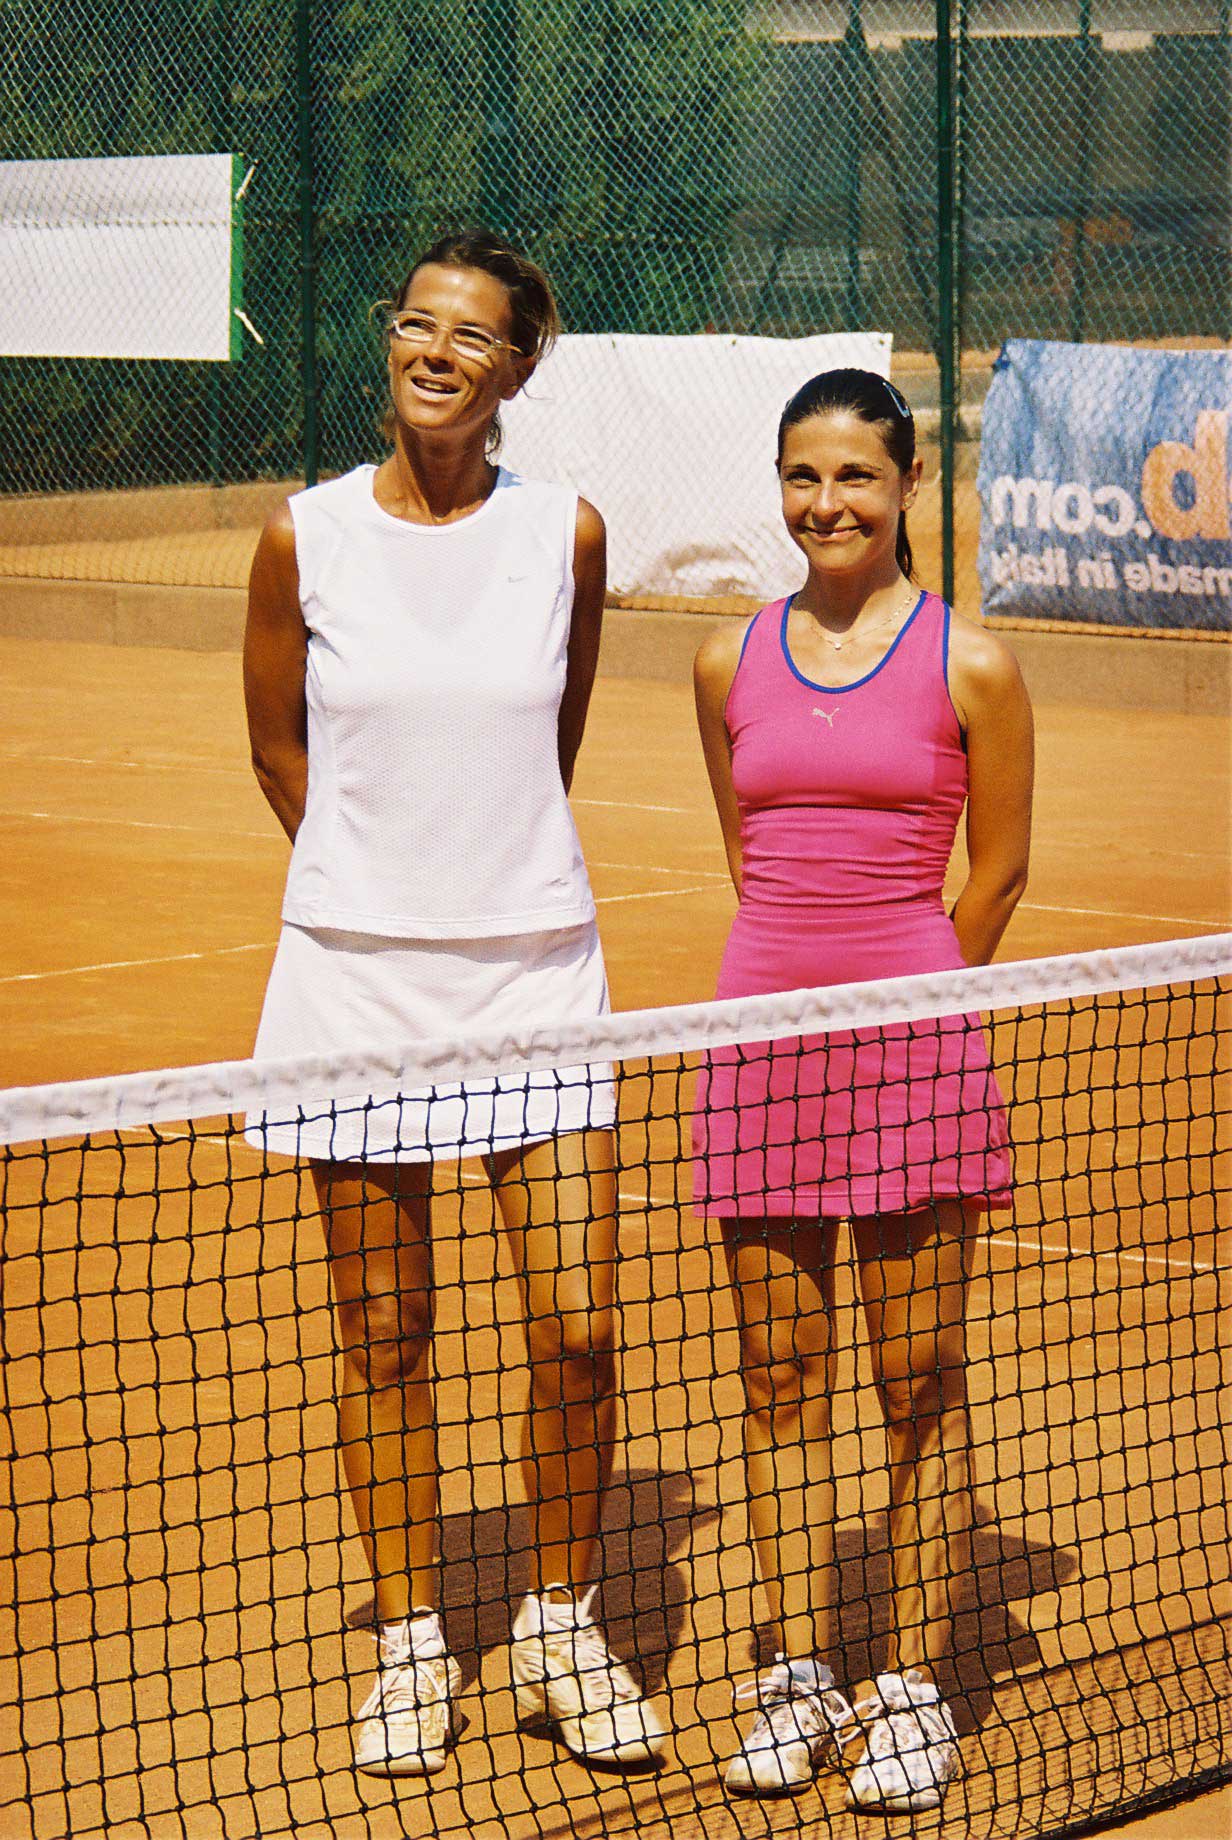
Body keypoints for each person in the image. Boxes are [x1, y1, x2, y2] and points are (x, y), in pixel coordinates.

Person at [242, 229, 665, 1779]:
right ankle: (413, 1645)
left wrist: (487, 870)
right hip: (356, 978)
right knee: (385, 1329)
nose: (434, 350)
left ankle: (559, 1624)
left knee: (581, 1328)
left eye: (471, 333)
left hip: (536, 973)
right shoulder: (302, 538)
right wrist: (376, 880)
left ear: (519, 366)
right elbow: (279, 750)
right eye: (415, 322)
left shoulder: (567, 535)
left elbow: (554, 736)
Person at [692, 369, 1034, 1811]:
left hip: (913, 1050)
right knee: (778, 1376)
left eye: (855, 477)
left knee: (918, 1381)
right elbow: (749, 852)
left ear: (907, 487)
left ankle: (908, 1693)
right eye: (802, 475)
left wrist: (906, 1000)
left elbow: (997, 870)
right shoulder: (724, 660)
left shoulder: (974, 664)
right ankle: (794, 1675)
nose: (825, 503)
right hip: (762, 1043)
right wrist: (805, 988)